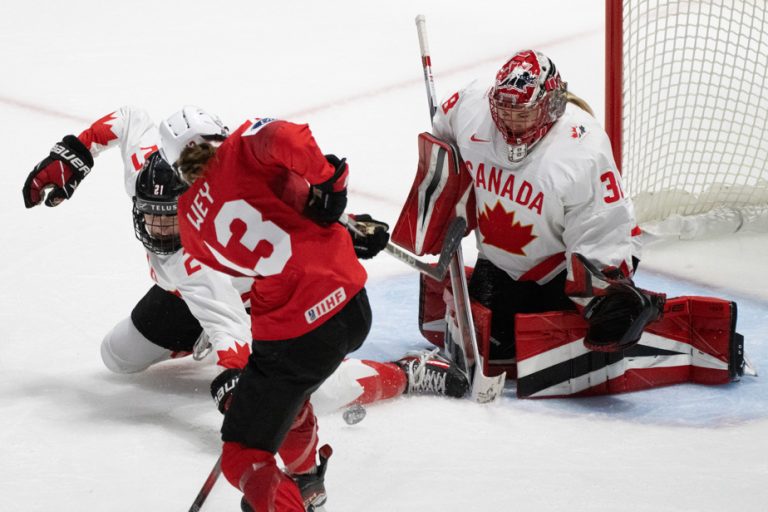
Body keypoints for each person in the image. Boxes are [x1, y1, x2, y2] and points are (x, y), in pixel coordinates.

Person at [20, 106, 468, 411]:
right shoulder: (150, 171)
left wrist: (237, 383)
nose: (158, 231)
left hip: (256, 301)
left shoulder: (199, 263)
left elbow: (229, 328)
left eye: (168, 219)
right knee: (117, 356)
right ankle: (199, 337)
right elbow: (129, 117)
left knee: (311, 399)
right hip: (197, 296)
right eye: (150, 218)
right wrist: (76, 153)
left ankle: (405, 374)